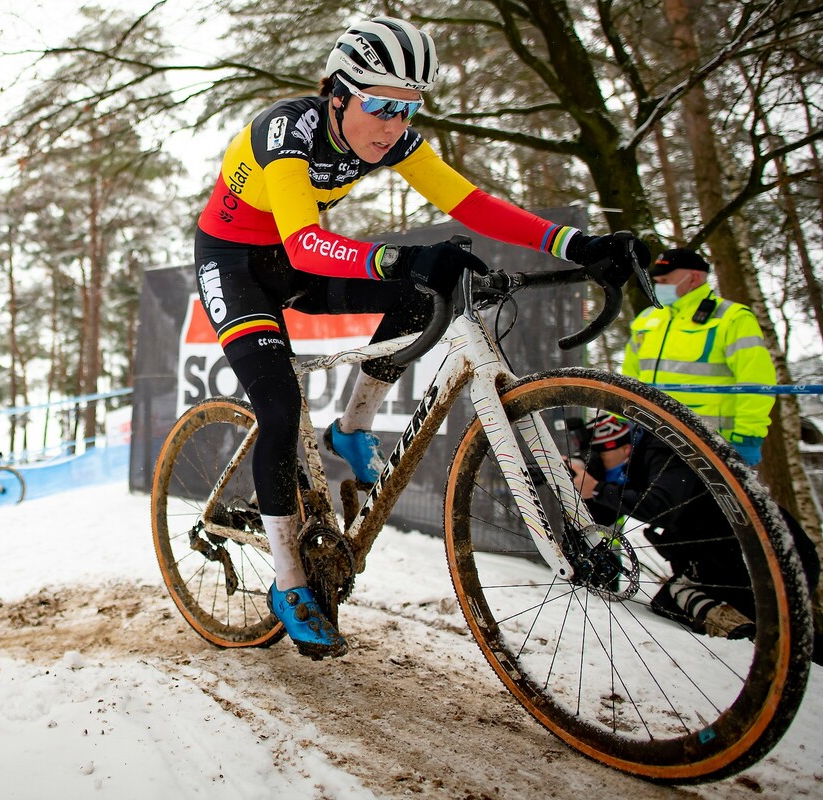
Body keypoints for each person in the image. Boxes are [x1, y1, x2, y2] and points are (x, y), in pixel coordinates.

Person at [194, 16, 649, 658]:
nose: (394, 125)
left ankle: (352, 428)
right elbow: (303, 241)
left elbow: (470, 204)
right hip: (236, 265)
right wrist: (402, 257)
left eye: (409, 109)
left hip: (297, 262)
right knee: (277, 403)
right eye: (380, 106)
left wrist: (578, 242)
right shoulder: (285, 130)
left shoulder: (394, 137)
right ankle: (290, 585)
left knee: (416, 301)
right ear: (337, 94)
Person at [569, 414, 821, 644]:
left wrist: (599, 489)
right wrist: (578, 484)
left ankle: (752, 636)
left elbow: (662, 508)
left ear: (624, 448)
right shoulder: (633, 461)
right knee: (667, 603)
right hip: (726, 555)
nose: (598, 466)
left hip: (769, 556)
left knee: (768, 628)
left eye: (600, 459)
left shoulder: (665, 450)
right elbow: (604, 515)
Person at [622, 248, 776, 466]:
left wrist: (747, 438)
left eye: (666, 280)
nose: (659, 286)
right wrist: (621, 421)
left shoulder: (732, 318)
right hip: (651, 437)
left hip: (709, 443)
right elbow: (630, 377)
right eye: (657, 280)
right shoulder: (647, 319)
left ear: (694, 278)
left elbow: (756, 381)